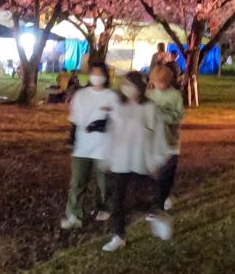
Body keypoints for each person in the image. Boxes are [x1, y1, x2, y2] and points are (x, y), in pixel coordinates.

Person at [102, 70, 168, 252]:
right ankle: (119, 235)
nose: (126, 88)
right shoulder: (118, 107)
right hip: (120, 160)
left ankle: (156, 214)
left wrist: (157, 159)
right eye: (124, 84)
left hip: (140, 160)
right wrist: (107, 156)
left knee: (139, 198)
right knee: (117, 200)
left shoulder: (150, 109)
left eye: (129, 84)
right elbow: (111, 133)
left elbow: (158, 136)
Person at [62, 64, 116, 229]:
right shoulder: (81, 95)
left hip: (103, 147)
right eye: (94, 73)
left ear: (105, 77)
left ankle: (106, 207)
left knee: (103, 182)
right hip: (83, 146)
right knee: (77, 182)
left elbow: (117, 120)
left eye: (100, 73)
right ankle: (74, 215)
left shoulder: (111, 96)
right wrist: (72, 139)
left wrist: (104, 124)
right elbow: (75, 120)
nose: (97, 77)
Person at [148, 62, 185, 211]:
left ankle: (164, 196)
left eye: (162, 83)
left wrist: (162, 114)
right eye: (156, 82)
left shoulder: (175, 96)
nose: (159, 85)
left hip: (170, 139)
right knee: (156, 171)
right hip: (154, 140)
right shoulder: (150, 94)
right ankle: (159, 195)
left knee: (168, 171)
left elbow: (179, 116)